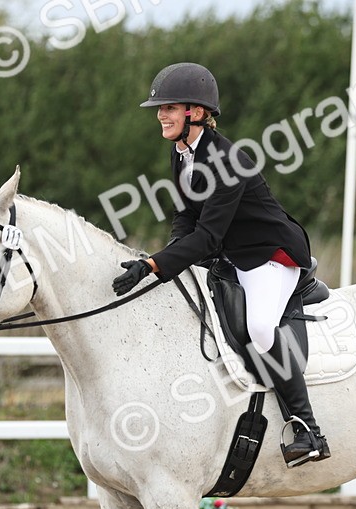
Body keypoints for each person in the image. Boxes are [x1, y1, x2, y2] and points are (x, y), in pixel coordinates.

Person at [113, 62, 330, 467]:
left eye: (169, 108)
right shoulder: (180, 153)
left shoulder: (228, 159)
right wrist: (163, 255)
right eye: (160, 109)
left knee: (260, 327)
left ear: (194, 112)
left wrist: (157, 266)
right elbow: (186, 218)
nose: (160, 115)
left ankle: (308, 429)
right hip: (231, 254)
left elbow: (209, 236)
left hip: (269, 254)